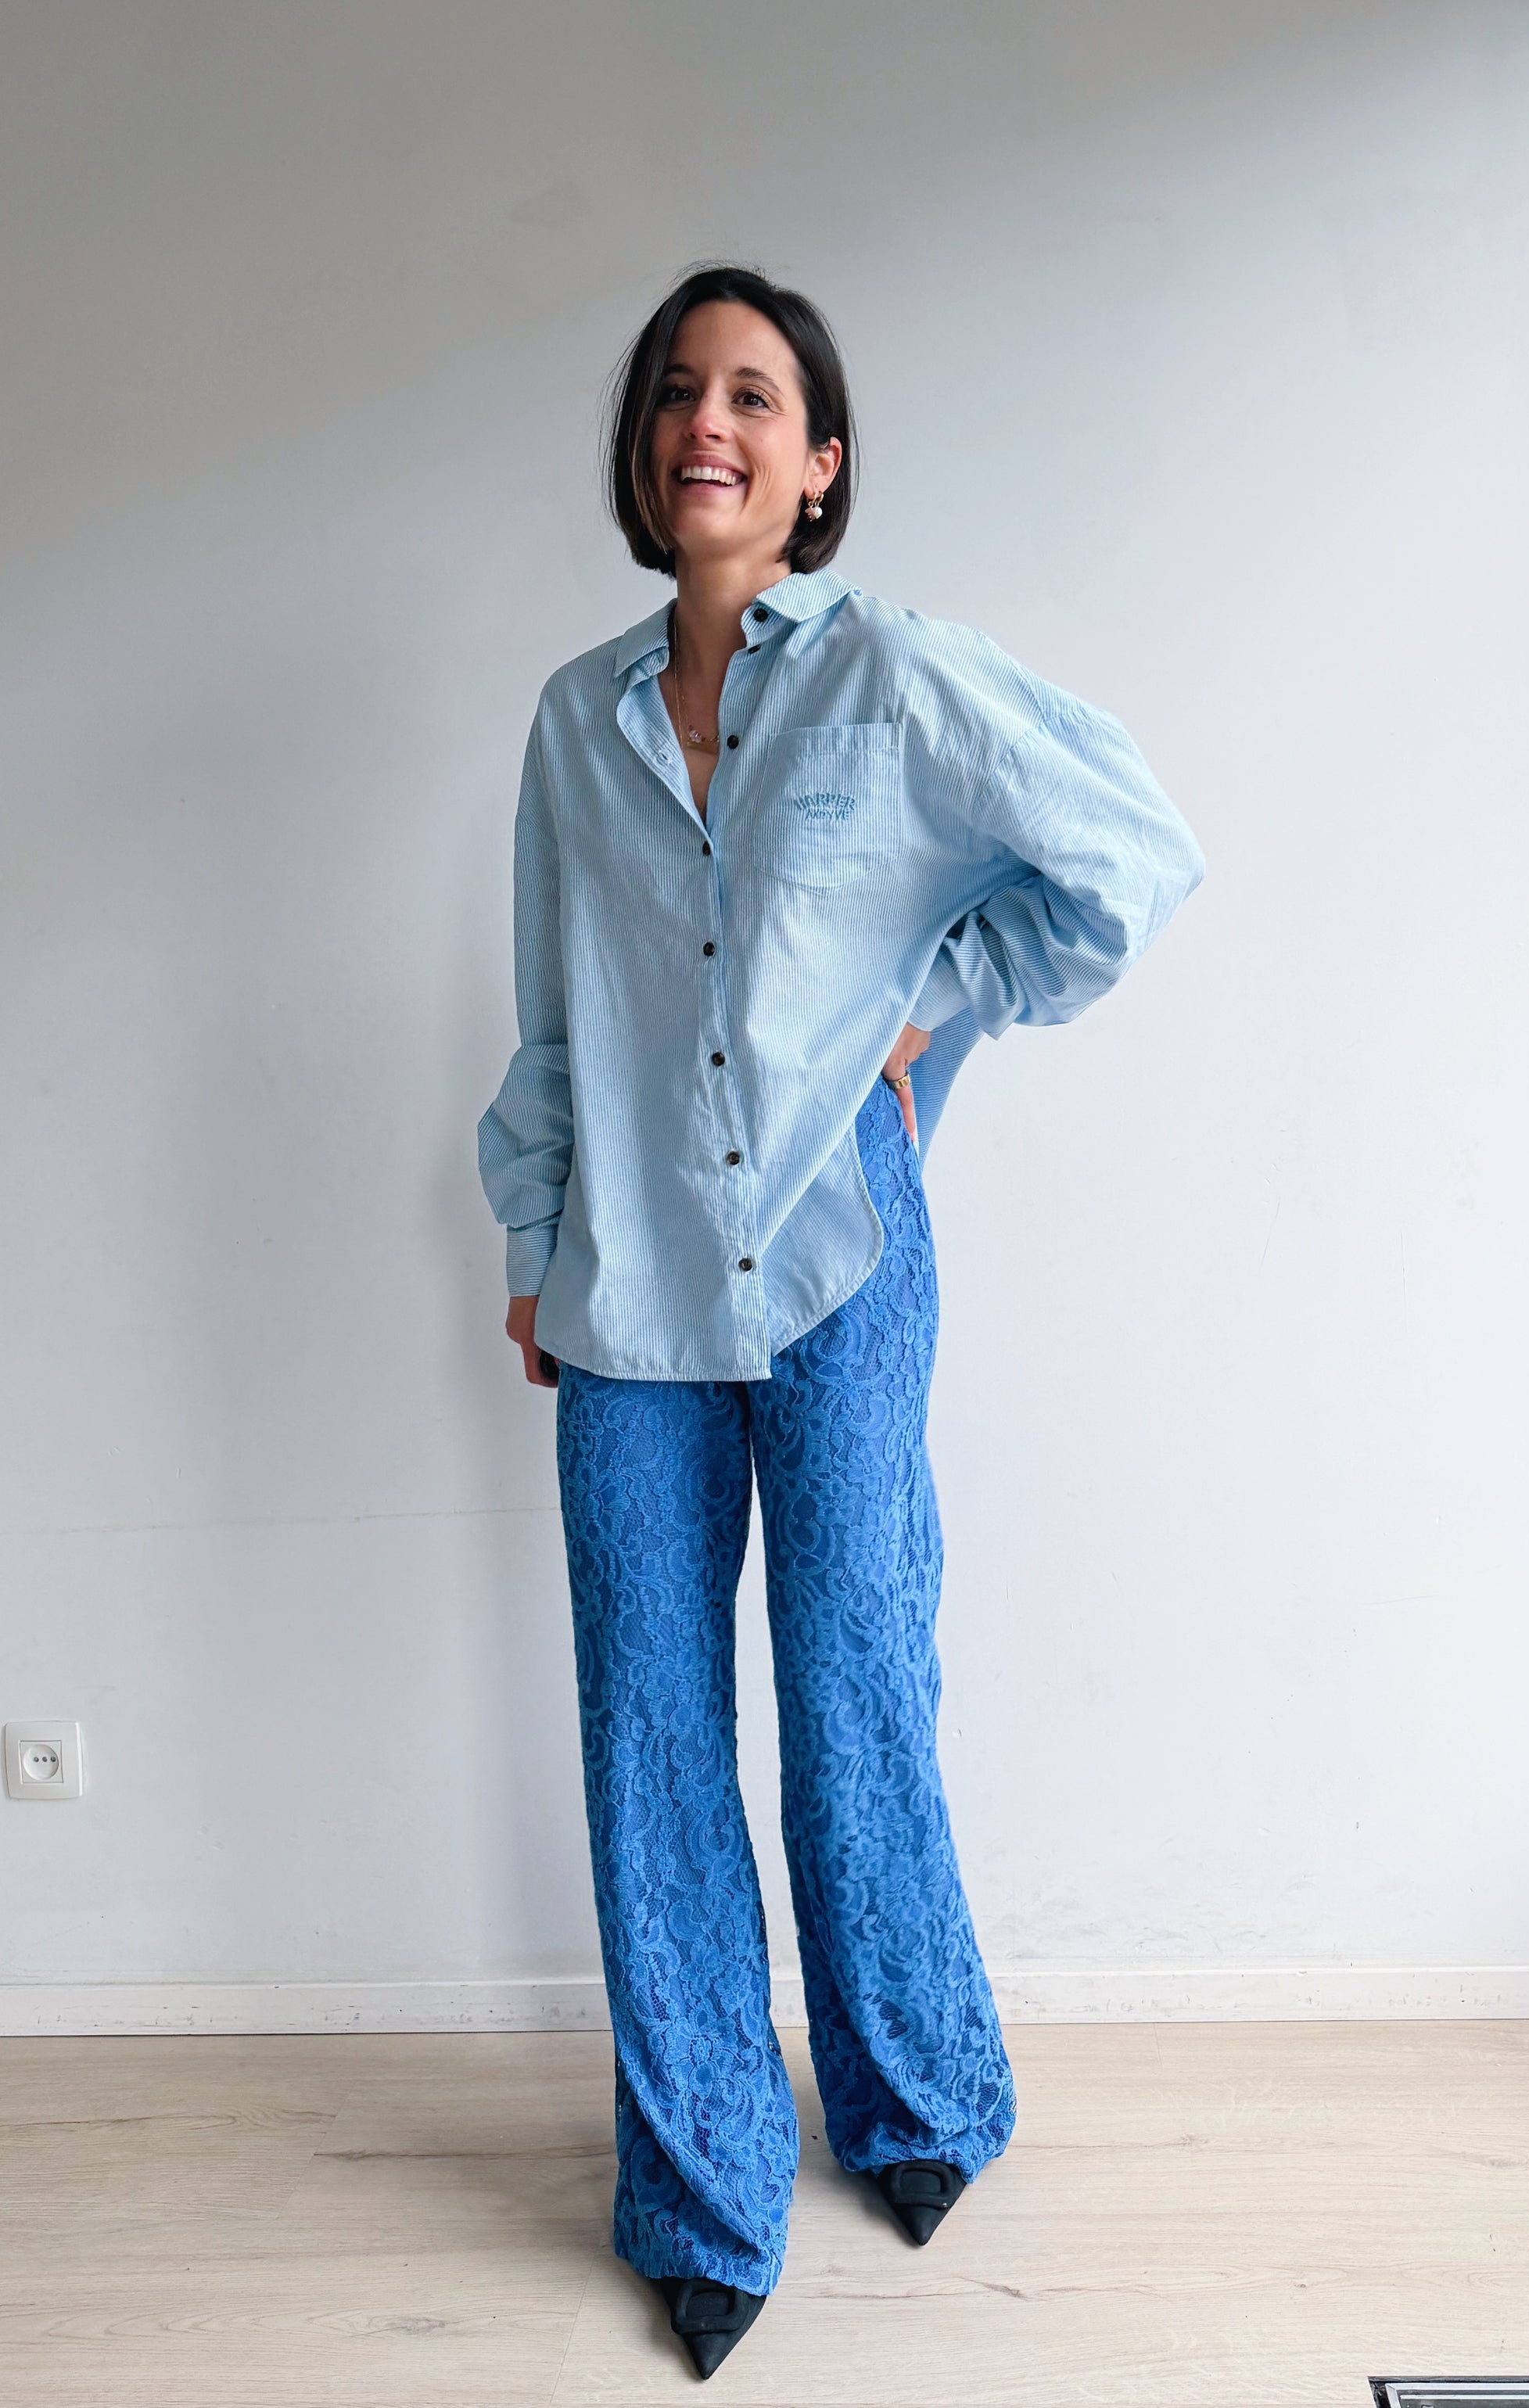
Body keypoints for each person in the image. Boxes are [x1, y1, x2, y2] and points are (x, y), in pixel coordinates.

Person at [478, 264, 1204, 2380]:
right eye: (677, 392)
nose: (707, 421)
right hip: (625, 1279)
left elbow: (1131, 857)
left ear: (818, 466)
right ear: (646, 451)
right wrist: (532, 1240)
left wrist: (939, 998)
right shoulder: (573, 723)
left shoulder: (894, 675)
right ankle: (703, 2191)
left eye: (753, 395)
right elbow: (552, 1025)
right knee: (647, 1729)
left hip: (841, 1263)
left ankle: (917, 2099)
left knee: (857, 1679)